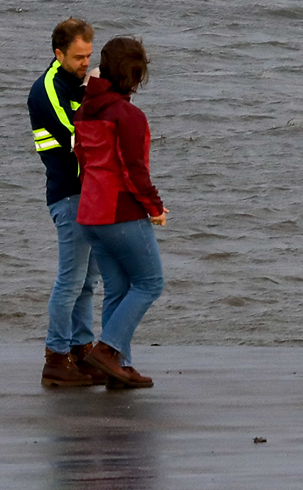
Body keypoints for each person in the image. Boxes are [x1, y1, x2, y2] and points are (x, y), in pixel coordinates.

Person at [76, 37, 168, 389]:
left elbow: (82, 158)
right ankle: (108, 349)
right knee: (150, 283)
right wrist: (155, 208)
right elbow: (134, 171)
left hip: (90, 212)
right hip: (119, 212)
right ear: (134, 74)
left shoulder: (86, 108)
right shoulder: (127, 115)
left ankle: (120, 367)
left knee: (117, 288)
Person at [28, 16, 106, 388]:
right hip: (69, 195)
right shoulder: (46, 91)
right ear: (58, 54)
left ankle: (80, 349)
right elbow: (79, 136)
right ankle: (56, 357)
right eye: (78, 57)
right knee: (71, 281)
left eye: (88, 56)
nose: (84, 64)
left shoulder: (78, 82)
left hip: (89, 194)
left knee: (88, 281)